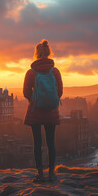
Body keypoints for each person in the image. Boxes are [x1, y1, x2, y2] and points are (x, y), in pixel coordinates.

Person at [23, 39, 63, 182]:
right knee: (51, 143)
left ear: (37, 54)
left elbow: (25, 92)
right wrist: (51, 101)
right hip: (51, 112)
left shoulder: (31, 73)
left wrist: (34, 100)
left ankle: (40, 173)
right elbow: (60, 92)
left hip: (35, 112)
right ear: (48, 53)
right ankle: (52, 173)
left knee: (37, 143)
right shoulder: (55, 71)